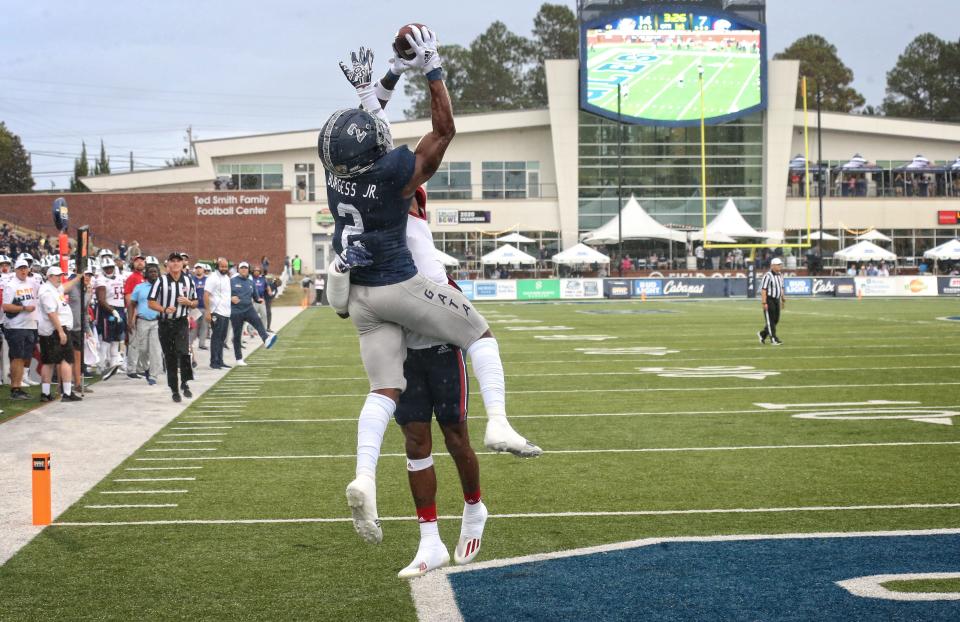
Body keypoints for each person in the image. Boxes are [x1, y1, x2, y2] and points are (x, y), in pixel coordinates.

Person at [324, 36, 539, 546]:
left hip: (362, 298)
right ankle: (499, 426)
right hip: (406, 292)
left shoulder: (339, 179)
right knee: (477, 339)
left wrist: (380, 87)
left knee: (395, 399)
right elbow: (430, 135)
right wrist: (428, 68)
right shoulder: (398, 183)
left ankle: (370, 478)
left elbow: (368, 140)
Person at [394, 187, 487, 578]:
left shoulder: (417, 232)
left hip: (443, 353)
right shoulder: (377, 241)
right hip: (406, 357)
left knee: (456, 438)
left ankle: (473, 505)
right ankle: (429, 539)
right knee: (416, 443)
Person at [148, 252, 197, 402]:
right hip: (165, 323)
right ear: (168, 264)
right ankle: (174, 389)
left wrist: (188, 302)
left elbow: (195, 302)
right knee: (170, 356)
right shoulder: (161, 281)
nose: (175, 264)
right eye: (172, 261)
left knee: (184, 352)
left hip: (181, 321)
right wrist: (163, 309)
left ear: (183, 264)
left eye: (178, 261)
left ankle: (185, 382)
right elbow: (151, 302)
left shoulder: (189, 281)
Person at [37, 266, 81, 402]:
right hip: (56, 329)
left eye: (61, 275)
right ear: (49, 276)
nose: (59, 278)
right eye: (56, 276)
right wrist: (61, 332)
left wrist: (78, 277)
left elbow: (65, 287)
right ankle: (67, 393)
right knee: (66, 360)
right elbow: (51, 313)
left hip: (52, 330)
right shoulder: (47, 292)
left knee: (48, 362)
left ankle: (45, 393)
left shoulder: (54, 288)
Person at [2, 258, 40, 400]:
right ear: (15, 270)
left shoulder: (32, 282)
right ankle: (15, 388)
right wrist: (24, 308)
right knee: (17, 357)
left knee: (25, 357)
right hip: (16, 325)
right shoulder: (11, 285)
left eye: (25, 268)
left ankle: (19, 384)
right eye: (20, 268)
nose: (23, 270)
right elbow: (5, 306)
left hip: (30, 324)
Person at [229, 261, 277, 367]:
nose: (244, 270)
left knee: (258, 322)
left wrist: (259, 300)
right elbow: (224, 294)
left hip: (248, 309)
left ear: (248, 270)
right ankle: (239, 358)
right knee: (237, 335)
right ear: (238, 269)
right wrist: (230, 298)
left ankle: (266, 339)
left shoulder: (251, 282)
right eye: (242, 268)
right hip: (236, 311)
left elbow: (255, 297)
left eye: (245, 268)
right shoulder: (232, 281)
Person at [129, 264, 163, 385]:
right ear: (146, 274)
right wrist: (130, 320)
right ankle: (146, 368)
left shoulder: (162, 287)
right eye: (151, 272)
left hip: (157, 322)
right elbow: (132, 304)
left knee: (155, 350)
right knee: (142, 349)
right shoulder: (139, 287)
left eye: (155, 272)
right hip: (142, 321)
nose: (153, 274)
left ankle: (153, 375)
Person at [94, 256, 126, 379]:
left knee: (116, 339)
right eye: (106, 268)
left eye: (110, 267)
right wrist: (112, 311)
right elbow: (101, 300)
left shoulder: (120, 277)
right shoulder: (101, 280)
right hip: (108, 310)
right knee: (107, 339)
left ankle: (113, 365)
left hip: (120, 309)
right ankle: (101, 366)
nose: (109, 270)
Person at [65, 265, 94, 394]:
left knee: (78, 357)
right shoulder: (71, 287)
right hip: (67, 326)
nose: (88, 277)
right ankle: (63, 385)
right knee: (66, 358)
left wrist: (87, 329)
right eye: (86, 275)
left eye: (90, 275)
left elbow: (85, 311)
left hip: (78, 327)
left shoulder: (88, 290)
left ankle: (77, 384)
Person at [204, 257, 233, 370]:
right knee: (216, 337)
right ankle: (214, 361)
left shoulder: (227, 278)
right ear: (217, 266)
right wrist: (208, 311)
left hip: (226, 312)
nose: (224, 268)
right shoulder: (213, 278)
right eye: (222, 266)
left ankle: (220, 360)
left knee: (222, 338)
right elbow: (206, 294)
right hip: (216, 311)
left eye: (226, 266)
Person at [123, 255, 147, 378]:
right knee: (134, 341)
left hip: (144, 313)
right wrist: (131, 315)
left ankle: (139, 367)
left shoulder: (144, 277)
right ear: (133, 263)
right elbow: (128, 296)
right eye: (137, 261)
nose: (140, 263)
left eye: (142, 261)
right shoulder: (132, 278)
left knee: (142, 342)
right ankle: (131, 369)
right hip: (135, 312)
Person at [757, 257, 785, 346]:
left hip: (776, 299)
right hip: (769, 299)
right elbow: (764, 290)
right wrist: (764, 302)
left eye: (780, 264)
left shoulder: (780, 275)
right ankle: (773, 339)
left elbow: (781, 287)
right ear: (772, 266)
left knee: (775, 320)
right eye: (778, 264)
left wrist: (782, 298)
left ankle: (763, 334)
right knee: (770, 320)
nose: (780, 266)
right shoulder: (767, 276)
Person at [191, 263, 209, 350]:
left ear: (203, 269)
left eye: (200, 268)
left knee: (204, 326)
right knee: (193, 327)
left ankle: (202, 343)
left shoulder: (208, 280)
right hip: (195, 307)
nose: (198, 270)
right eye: (197, 268)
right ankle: (189, 343)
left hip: (205, 307)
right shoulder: (192, 280)